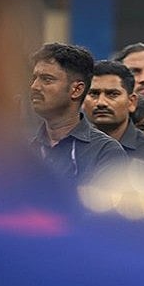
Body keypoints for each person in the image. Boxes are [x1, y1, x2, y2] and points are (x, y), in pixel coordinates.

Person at [28, 43, 126, 184]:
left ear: (77, 90)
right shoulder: (25, 151)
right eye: (34, 79)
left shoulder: (105, 152)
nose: (35, 87)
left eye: (47, 79)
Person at [85, 59, 144, 163]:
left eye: (112, 94)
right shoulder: (68, 149)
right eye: (93, 94)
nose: (101, 102)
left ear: (131, 102)